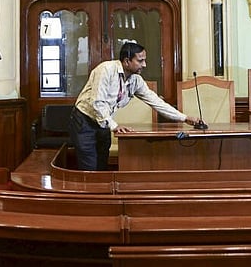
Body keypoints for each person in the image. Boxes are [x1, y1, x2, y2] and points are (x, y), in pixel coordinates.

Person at [69, 42, 204, 171]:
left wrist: (184, 118)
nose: (144, 65)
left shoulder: (135, 80)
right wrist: (115, 126)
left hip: (103, 123)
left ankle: (101, 194)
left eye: (144, 60)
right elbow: (98, 102)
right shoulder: (106, 70)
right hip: (84, 121)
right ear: (127, 61)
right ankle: (91, 194)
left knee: (102, 165)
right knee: (89, 167)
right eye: (140, 61)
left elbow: (156, 102)